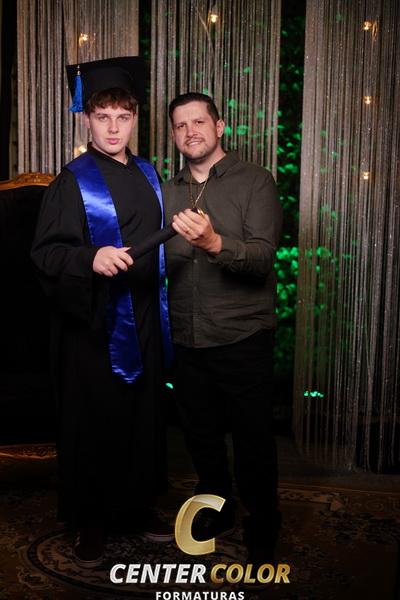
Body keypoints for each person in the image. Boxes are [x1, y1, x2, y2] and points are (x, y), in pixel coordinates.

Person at [31, 57, 173, 567]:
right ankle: (90, 520)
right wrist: (90, 257)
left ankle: (136, 507)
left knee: (142, 417)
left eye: (123, 117)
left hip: (145, 315)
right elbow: (45, 254)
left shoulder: (149, 173)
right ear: (86, 119)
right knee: (96, 421)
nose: (113, 128)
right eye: (103, 116)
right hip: (94, 324)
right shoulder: (73, 182)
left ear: (135, 120)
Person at [163, 92, 283, 566]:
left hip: (242, 335)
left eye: (199, 122)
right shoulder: (166, 189)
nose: (190, 131)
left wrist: (214, 242)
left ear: (220, 126)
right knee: (201, 437)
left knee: (253, 440)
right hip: (186, 335)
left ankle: (263, 521)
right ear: (173, 135)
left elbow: (262, 257)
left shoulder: (255, 181)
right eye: (180, 125)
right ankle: (218, 509)